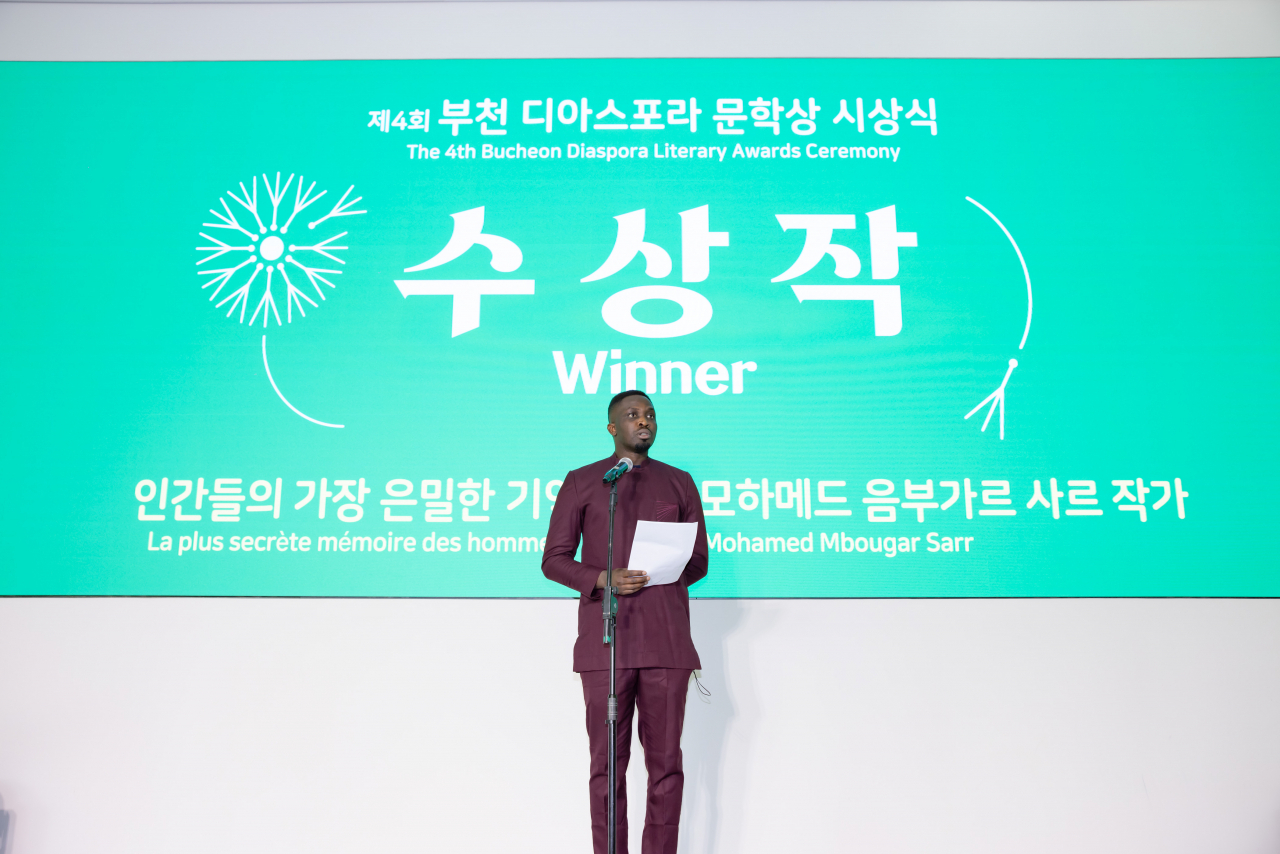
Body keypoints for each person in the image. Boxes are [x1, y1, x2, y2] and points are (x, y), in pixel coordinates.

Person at [542, 389, 709, 854]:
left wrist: (660, 572)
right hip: (606, 646)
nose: (644, 421)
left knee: (666, 767)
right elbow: (553, 560)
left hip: (666, 645)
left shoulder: (679, 482)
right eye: (633, 416)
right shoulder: (584, 482)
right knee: (607, 767)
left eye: (650, 414)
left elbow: (697, 562)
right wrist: (603, 577)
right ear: (613, 428)